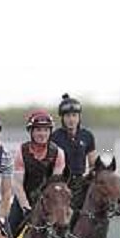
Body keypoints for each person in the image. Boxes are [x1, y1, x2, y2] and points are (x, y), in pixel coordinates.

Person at [10, 109, 84, 238]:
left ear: (50, 132)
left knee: (66, 236)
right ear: (31, 132)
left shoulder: (58, 153)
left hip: (47, 204)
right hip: (23, 202)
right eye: (37, 130)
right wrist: (27, 207)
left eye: (45, 130)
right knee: (6, 234)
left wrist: (50, 209)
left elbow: (54, 185)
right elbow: (17, 184)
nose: (42, 134)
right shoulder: (21, 151)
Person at [51, 94, 98, 229]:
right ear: (62, 118)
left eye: (74, 115)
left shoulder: (87, 136)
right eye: (67, 116)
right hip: (62, 182)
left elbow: (93, 163)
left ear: (79, 117)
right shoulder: (55, 137)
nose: (71, 119)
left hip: (81, 181)